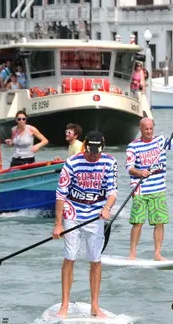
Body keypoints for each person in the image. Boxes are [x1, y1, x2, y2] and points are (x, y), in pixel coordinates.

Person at [52, 131, 118, 319]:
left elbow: (112, 190)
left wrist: (107, 208)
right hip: (73, 211)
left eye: (96, 152)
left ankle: (95, 306)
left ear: (102, 147)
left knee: (95, 259)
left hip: (96, 214)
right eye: (90, 151)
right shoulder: (72, 162)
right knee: (70, 256)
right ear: (85, 146)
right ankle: (64, 305)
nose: (93, 155)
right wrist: (58, 225)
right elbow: (60, 195)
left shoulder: (110, 162)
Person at [126, 117, 173, 261]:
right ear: (140, 129)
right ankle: (132, 253)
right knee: (138, 222)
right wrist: (140, 172)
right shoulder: (133, 146)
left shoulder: (161, 141)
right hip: (140, 189)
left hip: (158, 189)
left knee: (159, 222)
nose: (149, 131)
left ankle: (157, 254)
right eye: (146, 129)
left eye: (150, 128)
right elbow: (129, 168)